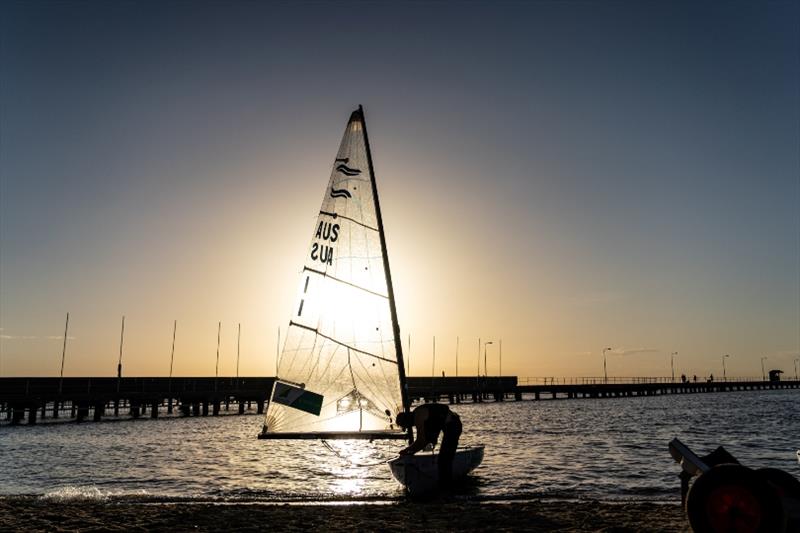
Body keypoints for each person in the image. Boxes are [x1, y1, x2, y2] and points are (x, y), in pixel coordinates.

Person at [395, 403, 462, 486]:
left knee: (444, 460)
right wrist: (411, 451)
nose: (407, 428)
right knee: (443, 459)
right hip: (448, 425)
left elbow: (421, 441)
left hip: (453, 425)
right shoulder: (419, 417)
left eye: (404, 425)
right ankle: (443, 482)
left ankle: (447, 487)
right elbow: (425, 441)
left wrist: (407, 450)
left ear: (406, 420)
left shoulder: (418, 416)